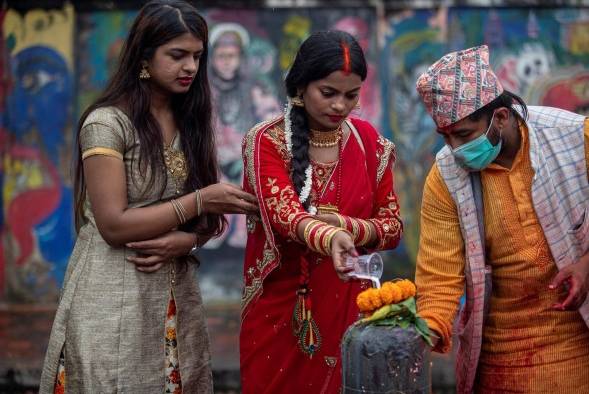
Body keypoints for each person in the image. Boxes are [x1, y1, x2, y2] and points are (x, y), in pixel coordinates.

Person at [39, 1, 257, 392]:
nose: (190, 66)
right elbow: (113, 225)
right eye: (177, 55)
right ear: (144, 56)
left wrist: (188, 240)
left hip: (174, 296)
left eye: (196, 56)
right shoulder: (106, 123)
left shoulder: (191, 119)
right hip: (111, 294)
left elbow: (205, 223)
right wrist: (199, 201)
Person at [414, 45, 589, 393]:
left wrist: (587, 263)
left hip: (578, 344)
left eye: (463, 135)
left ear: (502, 117)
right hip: (501, 359)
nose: (454, 148)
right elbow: (439, 275)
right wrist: (425, 330)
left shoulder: (573, 137)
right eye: (445, 137)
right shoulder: (445, 175)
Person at [239, 30, 403, 393]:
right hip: (281, 308)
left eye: (351, 95)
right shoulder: (267, 141)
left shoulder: (369, 143)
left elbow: (392, 227)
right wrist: (330, 236)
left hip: (350, 300)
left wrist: (348, 227)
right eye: (328, 93)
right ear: (300, 86)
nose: (340, 106)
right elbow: (286, 214)